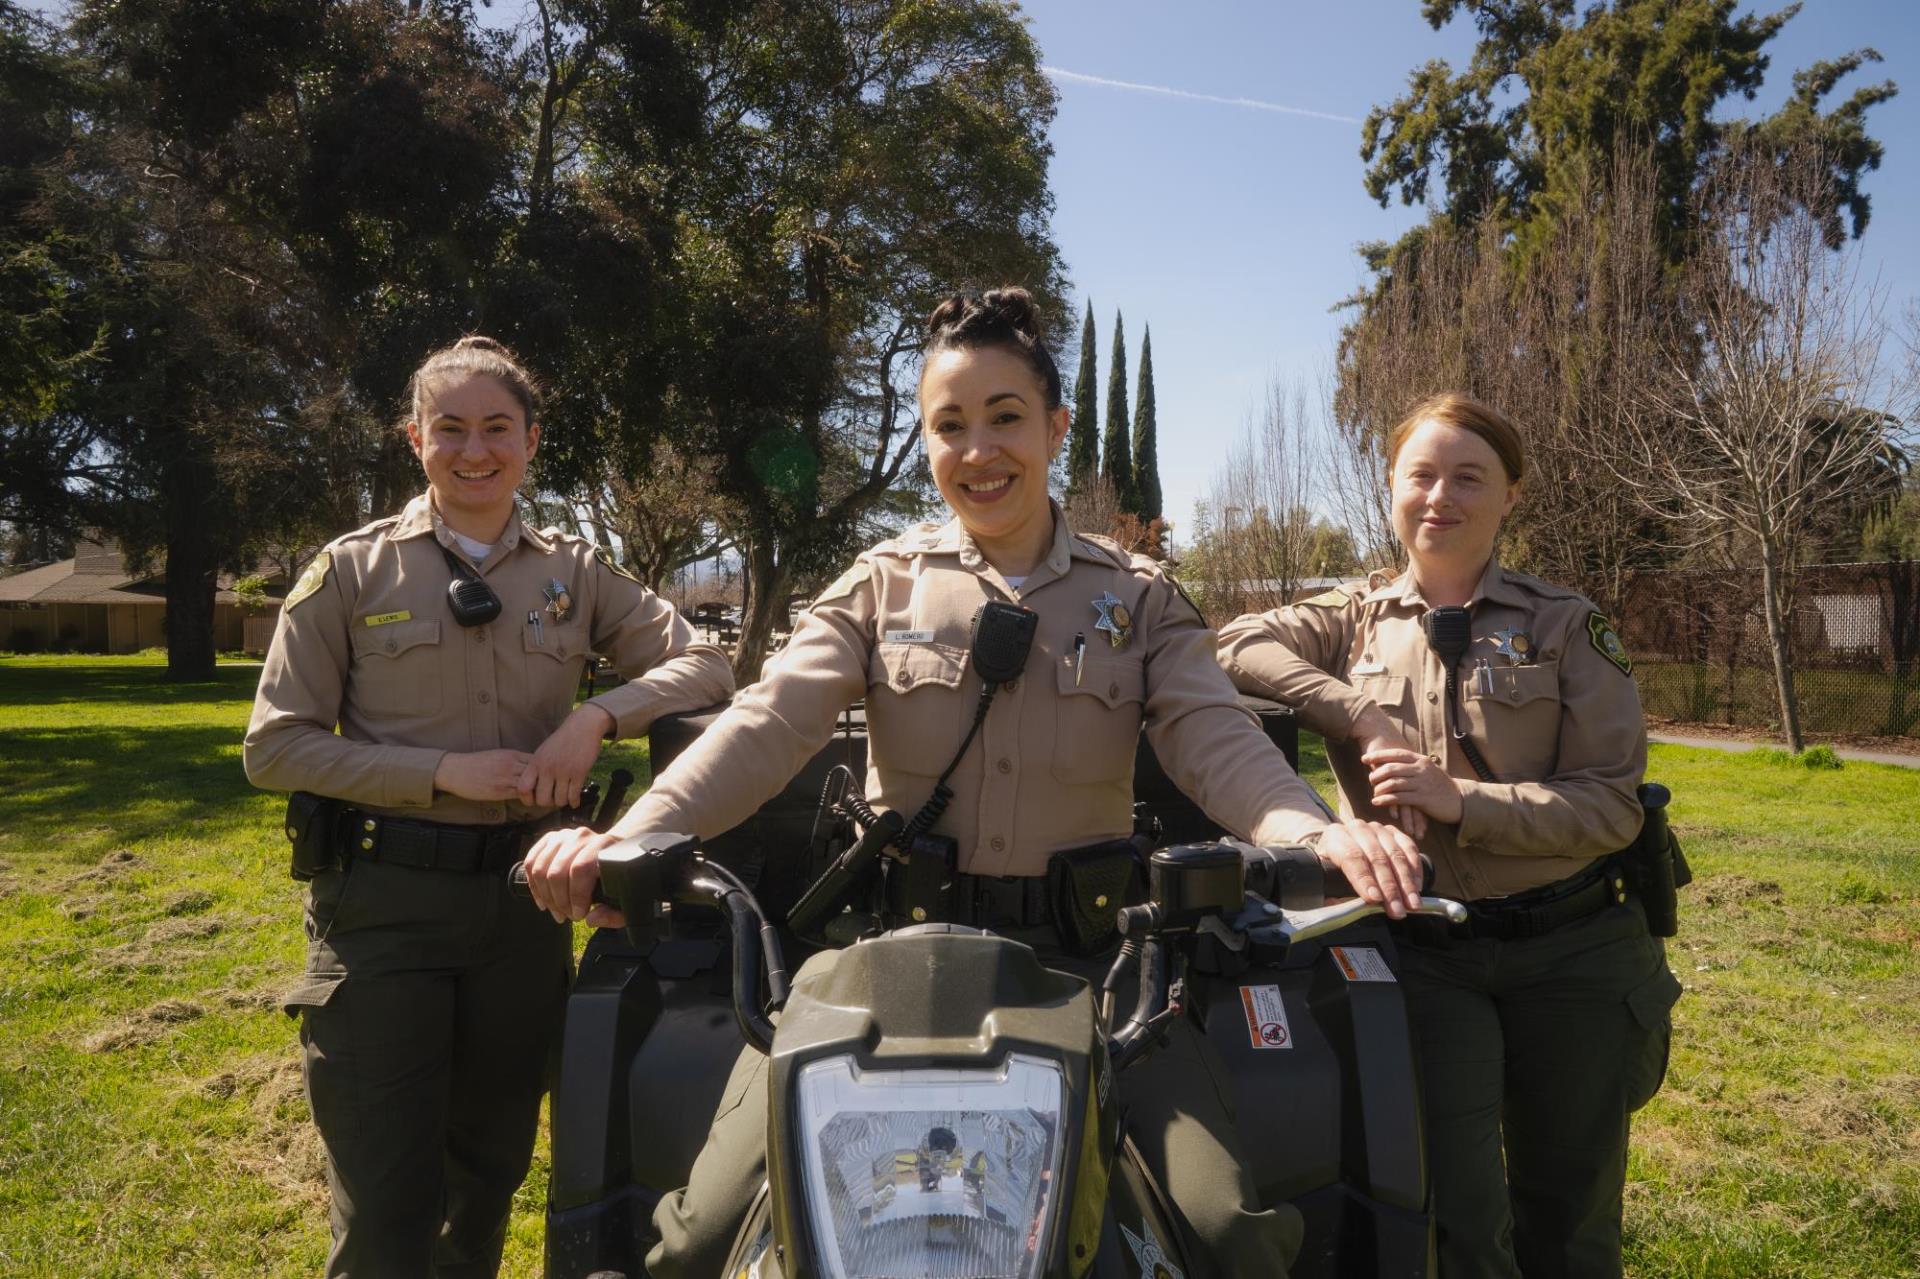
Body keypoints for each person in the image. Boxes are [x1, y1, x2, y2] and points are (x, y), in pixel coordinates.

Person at [525, 288, 1426, 1278]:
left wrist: (1308, 831)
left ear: (1055, 428)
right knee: (700, 1238)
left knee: (1229, 1235)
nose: (978, 450)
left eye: (1005, 417)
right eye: (949, 425)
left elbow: (1213, 734)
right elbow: (768, 723)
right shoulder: (878, 582)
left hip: (1089, 975)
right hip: (875, 966)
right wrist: (635, 836)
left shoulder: (1137, 598)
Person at [243, 335, 735, 1279]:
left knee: (488, 1178)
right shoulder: (352, 571)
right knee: (388, 1203)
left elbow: (705, 662)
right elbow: (274, 745)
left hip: (525, 908)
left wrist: (596, 714)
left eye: (497, 428)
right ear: (414, 439)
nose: (476, 450)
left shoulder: (577, 573)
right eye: (451, 428)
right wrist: (438, 772)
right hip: (383, 908)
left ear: (531, 439)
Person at [1215, 392, 1682, 1279]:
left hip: (1572, 947)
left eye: (1469, 477)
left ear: (1511, 494)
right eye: (1420, 475)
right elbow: (1232, 644)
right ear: (1391, 489)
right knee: (1457, 1215)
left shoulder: (1564, 624)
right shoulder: (1350, 618)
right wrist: (1357, 714)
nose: (1441, 497)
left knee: (1572, 1214)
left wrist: (1463, 802)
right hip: (1427, 952)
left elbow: (1612, 804)